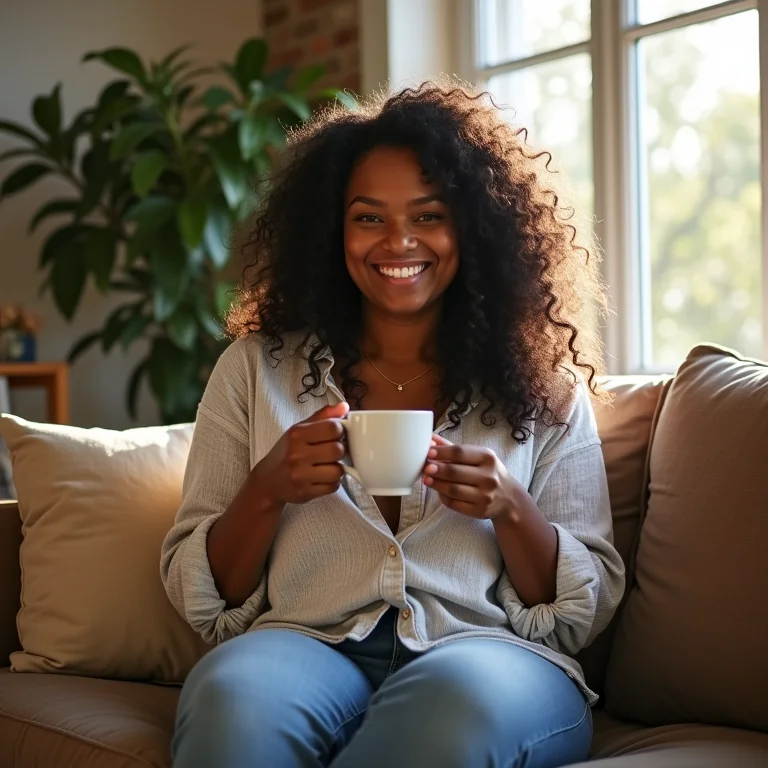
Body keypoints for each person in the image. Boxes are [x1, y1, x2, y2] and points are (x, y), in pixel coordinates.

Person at [161, 81, 625, 768]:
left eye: (429, 215)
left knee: (450, 714)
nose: (399, 242)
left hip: (487, 654)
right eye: (369, 218)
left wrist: (510, 509)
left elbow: (578, 616)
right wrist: (266, 490)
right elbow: (208, 603)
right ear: (332, 229)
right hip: (303, 643)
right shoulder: (256, 371)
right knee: (231, 702)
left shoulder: (544, 387)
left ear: (475, 226)